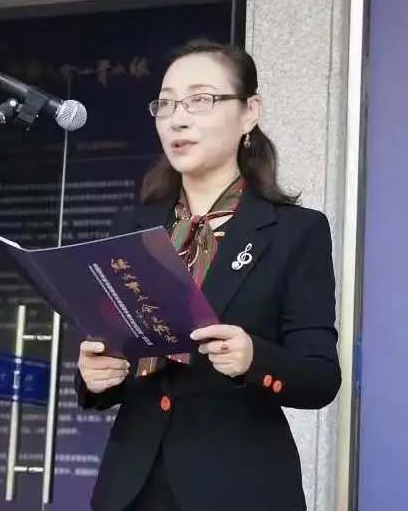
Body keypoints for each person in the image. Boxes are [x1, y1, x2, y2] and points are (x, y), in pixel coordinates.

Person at [75, 39, 340, 511]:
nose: (178, 119)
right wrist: (95, 377)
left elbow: (320, 377)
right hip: (132, 489)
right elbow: (113, 351)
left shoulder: (295, 231)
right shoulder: (132, 227)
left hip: (240, 488)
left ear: (249, 112)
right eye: (166, 104)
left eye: (200, 100)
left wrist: (253, 357)